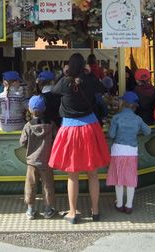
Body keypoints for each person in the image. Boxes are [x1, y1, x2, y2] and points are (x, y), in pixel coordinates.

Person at [49, 53, 110, 224]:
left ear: (69, 66)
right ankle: (95, 211)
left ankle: (73, 212)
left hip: (69, 130)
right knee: (93, 174)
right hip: (90, 128)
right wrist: (90, 73)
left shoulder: (64, 81)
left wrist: (63, 73)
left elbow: (53, 91)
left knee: (73, 175)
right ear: (84, 65)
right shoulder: (89, 80)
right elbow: (103, 88)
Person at [106, 91, 151, 214]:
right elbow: (148, 131)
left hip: (118, 151)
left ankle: (119, 204)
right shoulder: (137, 119)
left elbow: (111, 134)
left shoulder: (116, 117)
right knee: (130, 179)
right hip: (132, 151)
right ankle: (129, 205)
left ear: (124, 103)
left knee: (119, 179)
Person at [20, 95, 58, 220]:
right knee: (48, 185)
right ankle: (48, 209)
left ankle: (30, 209)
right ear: (45, 108)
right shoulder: (51, 125)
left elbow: (22, 142)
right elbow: (56, 139)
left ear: (30, 110)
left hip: (32, 162)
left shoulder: (28, 126)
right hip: (47, 160)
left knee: (30, 184)